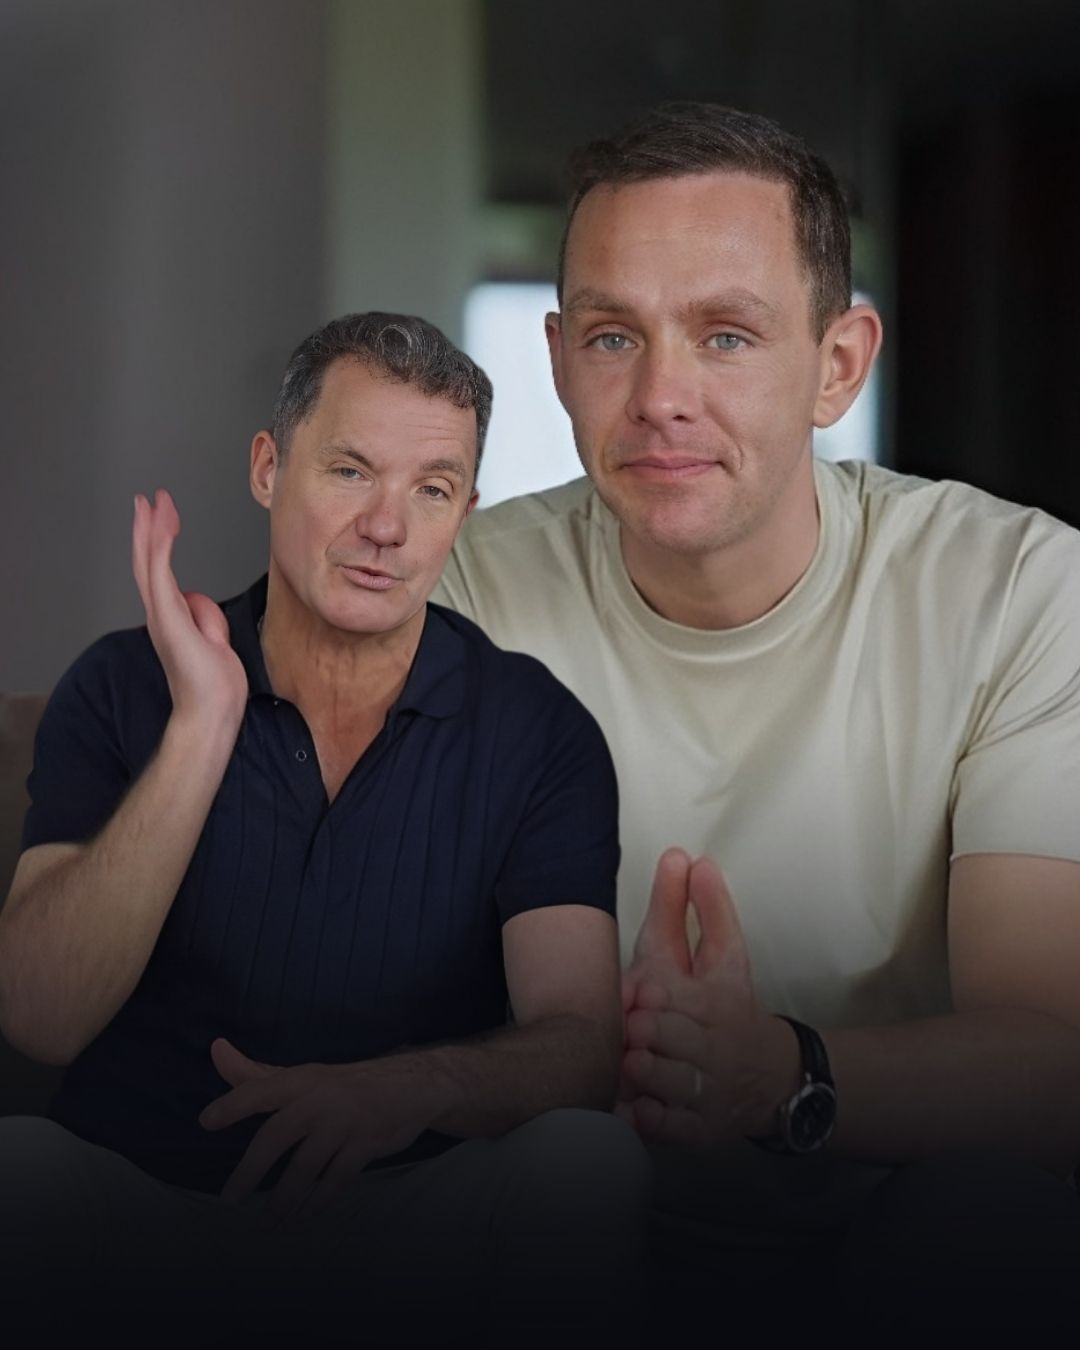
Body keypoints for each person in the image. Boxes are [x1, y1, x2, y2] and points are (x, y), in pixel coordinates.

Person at [432, 103, 1080, 1328]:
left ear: (839, 365)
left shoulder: (1015, 589)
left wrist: (775, 1072)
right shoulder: (460, 594)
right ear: (560, 361)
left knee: (996, 1214)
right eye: (614, 336)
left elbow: (1055, 1069)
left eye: (725, 335)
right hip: (563, 1212)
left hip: (896, 1214)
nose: (660, 397)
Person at [0, 312, 649, 1347]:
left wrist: (410, 1087)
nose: (388, 528)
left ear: (465, 511)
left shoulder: (539, 731)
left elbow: (580, 1050)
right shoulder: (121, 686)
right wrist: (202, 727)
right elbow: (41, 1017)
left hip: (408, 1223)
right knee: (21, 1173)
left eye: (431, 489)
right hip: (144, 1203)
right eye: (351, 472)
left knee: (589, 1164)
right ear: (269, 468)